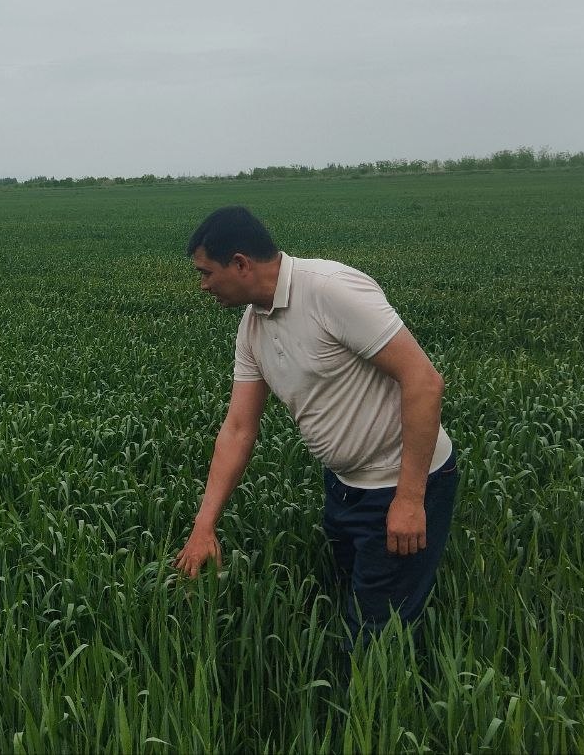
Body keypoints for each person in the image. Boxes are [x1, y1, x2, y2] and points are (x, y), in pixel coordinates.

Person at [174, 206, 457, 643]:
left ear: (241, 263)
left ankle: (391, 684)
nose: (203, 285)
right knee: (349, 597)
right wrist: (204, 524)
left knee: (376, 635)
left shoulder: (330, 291)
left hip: (400, 483)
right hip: (343, 487)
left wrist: (408, 499)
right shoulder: (252, 327)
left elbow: (424, 382)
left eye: (206, 273)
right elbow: (238, 428)